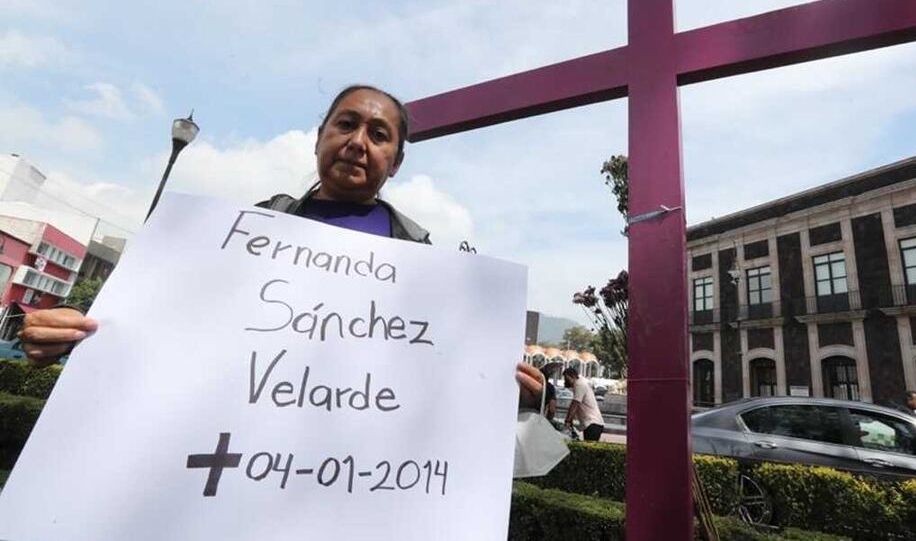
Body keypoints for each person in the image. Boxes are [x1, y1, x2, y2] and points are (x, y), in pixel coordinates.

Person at [17, 84, 545, 408]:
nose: (358, 142)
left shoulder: (426, 266)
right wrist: (72, 334)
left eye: (379, 134)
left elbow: (434, 389)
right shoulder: (242, 236)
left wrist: (504, 391)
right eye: (346, 124)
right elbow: (166, 325)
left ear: (397, 161)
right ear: (319, 138)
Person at [562, 367, 605, 441]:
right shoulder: (581, 383)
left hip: (593, 423)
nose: (565, 381)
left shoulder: (579, 384)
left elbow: (575, 404)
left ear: (573, 376)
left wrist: (567, 421)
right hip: (593, 424)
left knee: (590, 450)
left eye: (566, 378)